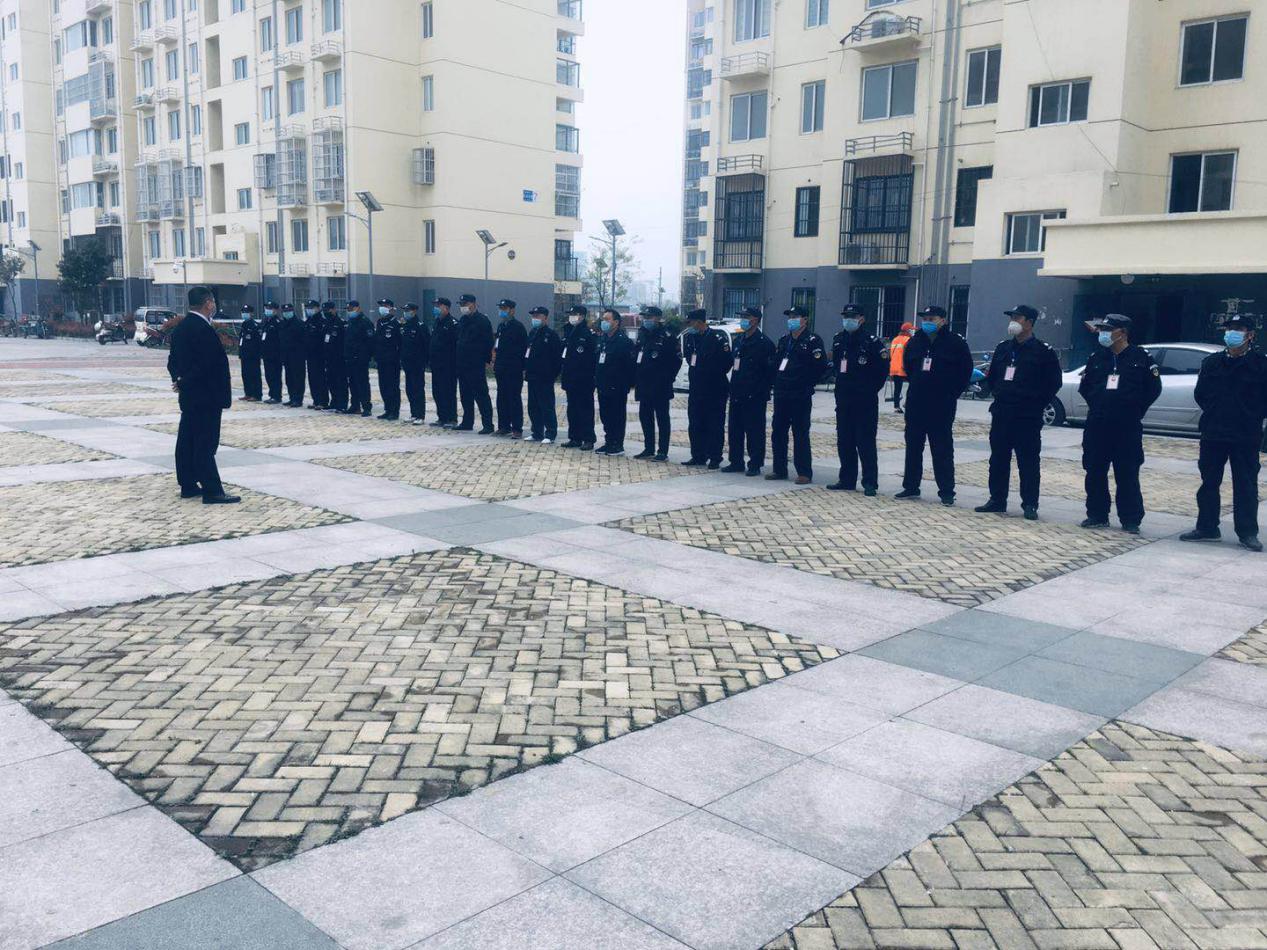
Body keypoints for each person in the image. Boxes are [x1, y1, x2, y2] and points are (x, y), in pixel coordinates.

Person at [1181, 313, 1267, 552]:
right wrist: (1216, 410)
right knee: (1209, 482)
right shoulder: (1212, 362)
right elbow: (1201, 393)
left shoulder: (1260, 364)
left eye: (1238, 329)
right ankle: (1207, 527)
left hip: (1245, 433)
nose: (1232, 333)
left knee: (1246, 484)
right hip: (1214, 430)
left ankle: (1247, 532)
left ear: (1250, 335)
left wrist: (1250, 415)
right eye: (1230, 328)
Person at [975, 305, 1063, 520]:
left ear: (1029, 322)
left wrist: (1036, 404)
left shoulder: (1043, 351)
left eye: (1017, 318)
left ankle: (1030, 503)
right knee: (998, 459)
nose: (1013, 321)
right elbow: (993, 376)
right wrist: (994, 391)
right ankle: (997, 500)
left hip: (1027, 416)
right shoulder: (1003, 348)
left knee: (1028, 461)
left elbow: (1053, 383)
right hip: (1002, 412)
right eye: (1012, 317)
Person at [1078, 314, 1161, 534]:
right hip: (1097, 425)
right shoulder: (1097, 357)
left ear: (1122, 332)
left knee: (1127, 473)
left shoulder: (1141, 357)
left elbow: (1153, 389)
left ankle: (1131, 518)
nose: (1103, 333)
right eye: (1102, 329)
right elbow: (1085, 387)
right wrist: (1099, 406)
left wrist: (1134, 410)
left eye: (1108, 329)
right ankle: (1097, 514)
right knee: (1094, 470)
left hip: (1126, 427)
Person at [166, 286, 238, 505]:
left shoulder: (181, 327)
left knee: (187, 440)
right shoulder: (202, 329)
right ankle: (212, 490)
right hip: (206, 395)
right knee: (205, 443)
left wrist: (179, 380)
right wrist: (184, 381)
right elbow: (207, 365)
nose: (214, 305)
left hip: (190, 395)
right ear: (208, 303)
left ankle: (188, 484)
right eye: (213, 302)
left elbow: (172, 361)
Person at [896, 305, 973, 505]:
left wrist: (951, 394)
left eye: (932, 319)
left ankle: (946, 491)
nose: (927, 322)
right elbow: (908, 368)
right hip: (916, 402)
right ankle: (911, 486)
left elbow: (965, 372)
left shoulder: (955, 343)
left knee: (942, 448)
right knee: (913, 446)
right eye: (925, 319)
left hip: (942, 404)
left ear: (943, 320)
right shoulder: (915, 342)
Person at [828, 304, 888, 495]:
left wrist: (869, 390)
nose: (848, 320)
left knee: (865, 442)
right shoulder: (839, 339)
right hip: (844, 398)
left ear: (861, 318)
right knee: (844, 441)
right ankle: (847, 479)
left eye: (852, 316)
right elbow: (837, 366)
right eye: (846, 316)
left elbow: (882, 370)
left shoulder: (872, 342)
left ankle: (870, 482)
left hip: (864, 400)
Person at [769, 306, 827, 485]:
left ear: (805, 320)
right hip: (782, 393)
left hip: (800, 394)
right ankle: (779, 469)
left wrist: (807, 383)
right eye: (790, 316)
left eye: (795, 316)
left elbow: (820, 367)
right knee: (778, 431)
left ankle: (804, 472)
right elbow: (776, 363)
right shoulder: (784, 340)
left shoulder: (812, 340)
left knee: (800, 433)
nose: (791, 320)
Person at [722, 306, 775, 476]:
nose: (743, 320)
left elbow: (769, 373)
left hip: (755, 395)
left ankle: (755, 463)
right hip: (737, 392)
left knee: (754, 431)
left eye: (746, 316)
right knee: (735, 430)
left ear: (756, 320)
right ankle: (736, 461)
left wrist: (760, 390)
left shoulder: (764, 343)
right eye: (742, 316)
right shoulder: (739, 340)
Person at [681, 308, 730, 469]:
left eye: (691, 323)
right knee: (695, 423)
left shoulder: (717, 338)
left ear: (699, 322)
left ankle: (715, 456)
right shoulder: (690, 338)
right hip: (696, 388)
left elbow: (726, 362)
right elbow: (689, 358)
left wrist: (710, 373)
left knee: (714, 424)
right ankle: (698, 455)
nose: (689, 326)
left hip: (715, 388)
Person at [631, 307, 681, 461]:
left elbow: (676, 361)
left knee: (662, 418)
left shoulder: (667, 336)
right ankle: (649, 448)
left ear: (658, 318)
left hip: (660, 385)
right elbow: (636, 356)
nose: (646, 320)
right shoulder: (642, 334)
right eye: (645, 317)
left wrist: (668, 378)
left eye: (649, 317)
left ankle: (662, 451)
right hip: (644, 384)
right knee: (645, 417)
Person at [595, 308, 636, 455]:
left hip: (617, 385)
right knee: (605, 415)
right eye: (603, 319)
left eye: (607, 319)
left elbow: (629, 365)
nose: (604, 322)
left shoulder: (623, 341)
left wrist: (626, 384)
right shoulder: (603, 339)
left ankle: (617, 445)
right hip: (603, 384)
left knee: (617, 416)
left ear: (616, 322)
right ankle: (609, 442)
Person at [455, 293, 495, 433]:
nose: (463, 307)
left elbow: (488, 342)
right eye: (461, 304)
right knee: (465, 394)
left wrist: (485, 360)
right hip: (462, 363)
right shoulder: (463, 320)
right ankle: (467, 422)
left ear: (473, 304)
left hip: (475, 363)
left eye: (465, 304)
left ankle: (488, 425)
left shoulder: (482, 321)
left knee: (481, 395)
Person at [560, 305, 597, 450]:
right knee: (572, 409)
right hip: (570, 377)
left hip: (584, 379)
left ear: (582, 316)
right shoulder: (569, 331)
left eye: (574, 314)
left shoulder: (587, 334)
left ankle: (588, 439)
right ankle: (574, 437)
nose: (572, 317)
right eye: (571, 314)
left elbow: (591, 358)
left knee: (585, 410)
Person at [524, 307, 563, 443]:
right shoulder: (532, 333)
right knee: (533, 406)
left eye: (538, 316)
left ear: (545, 318)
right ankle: (537, 432)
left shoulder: (551, 335)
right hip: (532, 376)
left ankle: (550, 433)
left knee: (546, 406)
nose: (535, 318)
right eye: (533, 316)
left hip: (545, 377)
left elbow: (557, 358)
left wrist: (551, 375)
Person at [493, 299, 528, 438]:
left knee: (514, 398)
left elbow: (523, 349)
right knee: (501, 398)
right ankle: (504, 426)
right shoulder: (501, 326)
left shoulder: (518, 327)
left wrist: (522, 367)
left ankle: (517, 428)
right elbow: (497, 346)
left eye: (504, 308)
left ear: (512, 310)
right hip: (501, 367)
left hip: (513, 368)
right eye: (500, 308)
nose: (502, 311)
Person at [429, 297, 459, 428]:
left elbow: (455, 345)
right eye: (435, 305)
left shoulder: (453, 323)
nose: (435, 308)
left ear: (446, 308)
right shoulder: (437, 322)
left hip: (448, 364)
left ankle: (451, 418)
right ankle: (441, 417)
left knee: (448, 392)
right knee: (437, 391)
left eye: (438, 306)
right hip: (436, 364)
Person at [400, 303, 430, 425]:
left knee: (418, 389)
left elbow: (426, 345)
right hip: (407, 363)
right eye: (405, 310)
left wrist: (424, 362)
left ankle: (420, 415)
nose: (406, 312)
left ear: (414, 311)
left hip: (417, 363)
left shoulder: (420, 326)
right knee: (410, 389)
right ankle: (413, 413)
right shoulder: (405, 326)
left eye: (408, 310)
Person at [343, 300, 374, 417]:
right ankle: (355, 405)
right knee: (352, 383)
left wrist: (365, 356)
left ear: (357, 308)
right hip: (350, 357)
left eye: (351, 309)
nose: (349, 311)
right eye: (348, 309)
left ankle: (366, 407)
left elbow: (370, 341)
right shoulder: (351, 322)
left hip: (361, 358)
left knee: (362, 383)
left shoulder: (365, 322)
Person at [373, 298, 402, 421]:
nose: (382, 308)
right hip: (381, 359)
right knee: (383, 385)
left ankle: (394, 411)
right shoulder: (380, 322)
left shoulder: (396, 323)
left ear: (391, 308)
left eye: (385, 305)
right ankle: (387, 409)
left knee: (392, 386)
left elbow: (399, 343)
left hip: (392, 360)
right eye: (381, 305)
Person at [323, 301, 349, 414]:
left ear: (334, 310)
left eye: (328, 310)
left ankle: (342, 404)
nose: (327, 312)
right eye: (325, 310)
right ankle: (334, 402)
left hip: (339, 358)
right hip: (329, 358)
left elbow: (344, 341)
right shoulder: (326, 323)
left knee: (340, 382)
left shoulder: (340, 323)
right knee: (331, 381)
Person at [279, 303, 307, 407]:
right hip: (286, 356)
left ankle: (298, 399)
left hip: (297, 356)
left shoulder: (299, 324)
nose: (286, 313)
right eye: (284, 311)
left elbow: (303, 340)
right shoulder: (282, 324)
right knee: (289, 378)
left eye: (288, 311)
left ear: (292, 311)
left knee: (298, 378)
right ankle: (292, 397)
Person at [303, 299, 329, 410]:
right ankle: (316, 400)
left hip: (319, 355)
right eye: (308, 308)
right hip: (310, 355)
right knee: (312, 378)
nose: (309, 310)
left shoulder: (321, 322)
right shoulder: (308, 321)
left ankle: (323, 401)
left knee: (320, 378)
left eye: (311, 308)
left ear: (318, 309)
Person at [237, 304, 263, 402]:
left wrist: (258, 353)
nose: (244, 314)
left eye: (246, 312)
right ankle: (248, 393)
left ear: (251, 313)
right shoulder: (244, 324)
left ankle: (256, 394)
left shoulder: (255, 325)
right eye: (243, 312)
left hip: (253, 355)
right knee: (245, 374)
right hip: (244, 355)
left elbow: (258, 342)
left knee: (254, 375)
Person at [261, 300, 284, 404]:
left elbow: (280, 340)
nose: (267, 310)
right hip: (266, 353)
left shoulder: (278, 322)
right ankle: (272, 394)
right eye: (267, 308)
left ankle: (276, 396)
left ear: (276, 310)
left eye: (270, 309)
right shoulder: (266, 321)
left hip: (275, 354)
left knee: (275, 376)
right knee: (269, 375)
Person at [889, 322, 913, 413]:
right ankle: (907, 402)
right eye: (911, 330)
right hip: (904, 367)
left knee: (897, 388)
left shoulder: (895, 339)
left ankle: (896, 407)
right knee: (913, 384)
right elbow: (909, 355)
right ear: (908, 331)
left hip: (894, 367)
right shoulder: (908, 340)